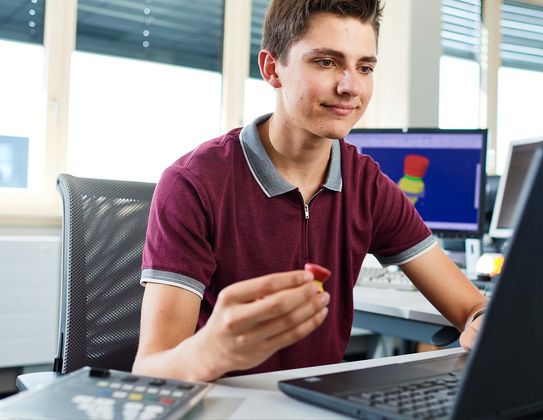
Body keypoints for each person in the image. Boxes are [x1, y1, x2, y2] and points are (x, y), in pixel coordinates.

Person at [132, 0, 487, 382]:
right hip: (224, 404)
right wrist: (212, 351)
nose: (350, 86)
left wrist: (482, 321)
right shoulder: (193, 183)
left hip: (318, 403)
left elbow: (470, 307)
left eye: (364, 67)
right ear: (272, 69)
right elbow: (150, 369)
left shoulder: (367, 184)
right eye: (325, 62)